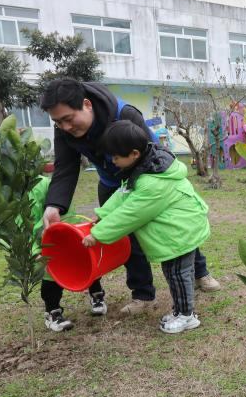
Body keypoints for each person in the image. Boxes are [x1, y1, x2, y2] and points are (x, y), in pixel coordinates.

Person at [39, 78, 220, 317]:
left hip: (145, 179)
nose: (64, 127)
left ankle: (199, 272)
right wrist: (54, 205)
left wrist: (148, 189)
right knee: (126, 240)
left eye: (68, 119)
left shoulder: (123, 114)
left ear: (86, 104)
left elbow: (152, 153)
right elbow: (65, 167)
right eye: (57, 122)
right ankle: (142, 294)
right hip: (112, 183)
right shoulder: (65, 126)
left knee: (174, 228)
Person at [83, 121, 211, 334]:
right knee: (175, 274)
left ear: (133, 153)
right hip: (176, 233)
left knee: (179, 275)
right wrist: (102, 216)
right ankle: (181, 310)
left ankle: (186, 315)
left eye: (116, 157)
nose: (113, 161)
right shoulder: (144, 167)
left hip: (180, 234)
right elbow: (122, 195)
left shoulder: (153, 182)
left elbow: (131, 214)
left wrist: (98, 234)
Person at [29, 173, 106, 331]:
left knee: (87, 262)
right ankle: (53, 311)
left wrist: (69, 232)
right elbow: (19, 230)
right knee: (51, 276)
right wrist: (34, 250)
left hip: (64, 233)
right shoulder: (10, 195)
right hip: (41, 241)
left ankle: (97, 294)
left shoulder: (46, 183)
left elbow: (64, 208)